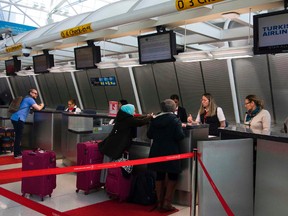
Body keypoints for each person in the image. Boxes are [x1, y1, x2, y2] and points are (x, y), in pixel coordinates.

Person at [147, 99, 185, 212]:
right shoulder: (175, 120)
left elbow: (149, 135)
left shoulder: (155, 120)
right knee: (173, 176)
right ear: (173, 109)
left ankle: (159, 202)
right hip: (171, 151)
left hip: (157, 151)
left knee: (159, 176)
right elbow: (179, 136)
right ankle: (167, 203)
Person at [10, 89, 44, 158]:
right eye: (35, 93)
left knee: (17, 136)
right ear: (30, 93)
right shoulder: (30, 99)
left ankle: (17, 151)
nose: (36, 95)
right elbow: (38, 108)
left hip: (14, 117)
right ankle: (17, 154)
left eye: (36, 94)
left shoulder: (25, 98)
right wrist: (42, 105)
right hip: (19, 119)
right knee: (18, 136)